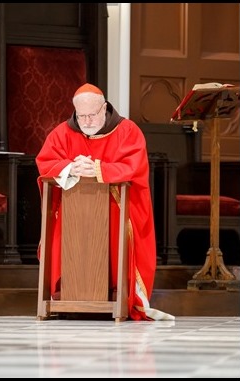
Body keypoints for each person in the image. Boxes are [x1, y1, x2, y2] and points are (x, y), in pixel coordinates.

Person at [35, 83, 174, 321]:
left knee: (119, 234)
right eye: (81, 116)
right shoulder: (62, 133)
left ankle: (117, 296)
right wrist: (71, 167)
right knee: (59, 232)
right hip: (74, 211)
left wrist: (98, 168)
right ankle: (67, 295)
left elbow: (134, 167)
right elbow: (45, 162)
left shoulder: (127, 131)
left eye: (92, 115)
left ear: (105, 108)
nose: (87, 121)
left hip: (116, 206)